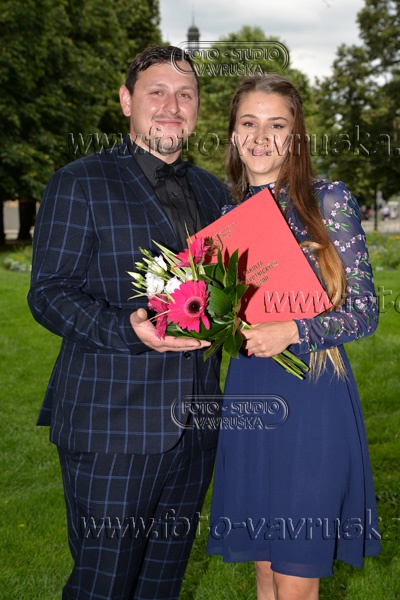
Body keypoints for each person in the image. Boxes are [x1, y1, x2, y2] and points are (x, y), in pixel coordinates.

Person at [28, 45, 230, 600]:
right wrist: (127, 329)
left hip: (196, 428)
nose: (172, 106)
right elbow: (48, 293)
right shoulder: (80, 181)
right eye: (156, 92)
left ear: (197, 107)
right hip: (111, 427)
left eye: (185, 94)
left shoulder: (214, 191)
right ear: (126, 101)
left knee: (162, 587)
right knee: (104, 585)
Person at [206, 74, 381, 600]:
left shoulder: (327, 200)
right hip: (249, 393)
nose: (261, 137)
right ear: (233, 134)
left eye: (277, 125)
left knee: (296, 573)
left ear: (296, 135)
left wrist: (295, 329)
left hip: (312, 397)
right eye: (249, 123)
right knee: (264, 571)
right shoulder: (226, 216)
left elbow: (365, 312)